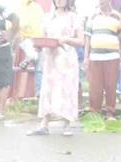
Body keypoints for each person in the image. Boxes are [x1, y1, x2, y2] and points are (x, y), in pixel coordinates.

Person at [27, 0, 83, 136]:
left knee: (67, 89)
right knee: (47, 89)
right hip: (51, 59)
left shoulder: (74, 17)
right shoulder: (47, 18)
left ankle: (67, 123)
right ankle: (44, 125)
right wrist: (38, 45)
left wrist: (66, 39)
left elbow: (81, 41)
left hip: (67, 59)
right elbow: (43, 38)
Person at [84, 0, 121, 118]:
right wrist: (86, 57)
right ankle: (94, 113)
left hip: (112, 56)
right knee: (95, 86)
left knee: (111, 85)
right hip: (95, 57)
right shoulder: (92, 16)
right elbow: (87, 38)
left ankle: (110, 113)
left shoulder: (117, 16)